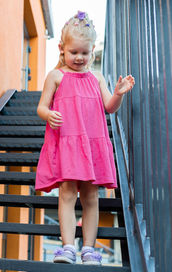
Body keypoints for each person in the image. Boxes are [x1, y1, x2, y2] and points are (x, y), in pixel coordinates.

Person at [35, 11, 135, 265]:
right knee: (67, 195)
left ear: (92, 52)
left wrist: (119, 94)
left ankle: (88, 249)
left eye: (85, 53)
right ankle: (68, 246)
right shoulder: (56, 76)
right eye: (74, 52)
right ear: (62, 49)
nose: (79, 58)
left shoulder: (97, 78)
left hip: (91, 146)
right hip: (68, 143)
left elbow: (109, 107)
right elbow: (41, 107)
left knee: (91, 197)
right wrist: (49, 115)